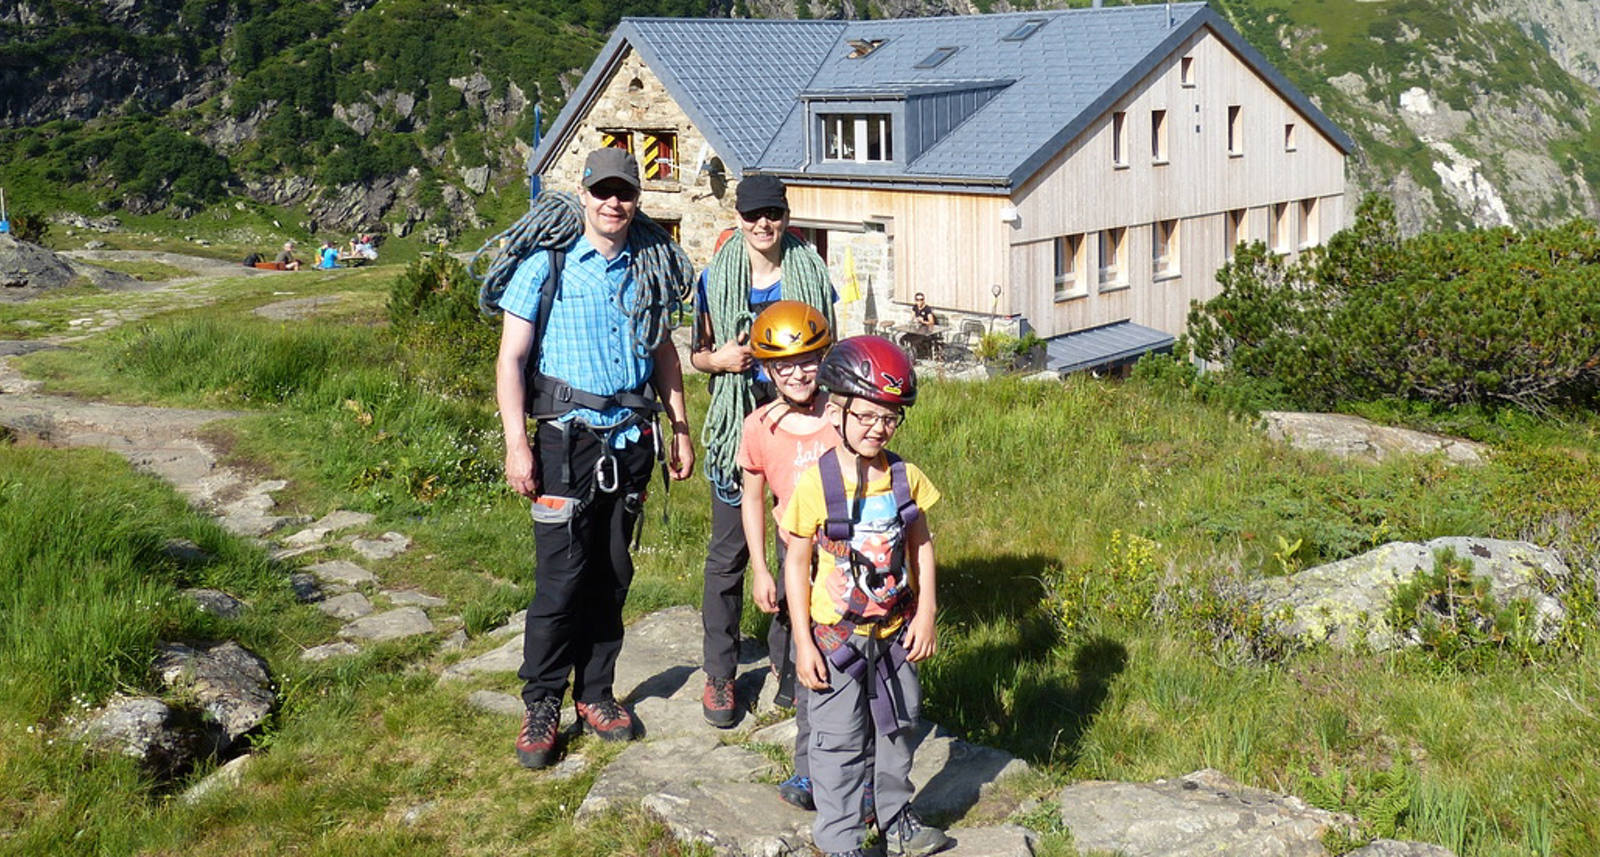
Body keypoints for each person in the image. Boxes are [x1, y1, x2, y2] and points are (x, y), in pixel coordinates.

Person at [490, 147, 696, 769]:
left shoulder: (648, 268)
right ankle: (542, 702)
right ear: (583, 195)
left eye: (625, 192)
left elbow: (663, 356)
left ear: (637, 199)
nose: (614, 202)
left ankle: (597, 693)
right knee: (560, 580)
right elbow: (511, 362)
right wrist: (517, 445)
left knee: (612, 574)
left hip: (631, 442)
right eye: (603, 191)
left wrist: (681, 429)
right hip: (563, 443)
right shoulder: (543, 267)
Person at [782, 336, 949, 857]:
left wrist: (926, 613)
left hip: (894, 636)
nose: (878, 427)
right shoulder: (817, 483)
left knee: (898, 729)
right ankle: (839, 840)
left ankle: (895, 819)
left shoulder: (907, 480)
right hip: (837, 642)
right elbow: (797, 562)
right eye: (867, 416)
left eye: (890, 418)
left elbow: (921, 544)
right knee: (837, 744)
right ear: (838, 410)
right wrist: (804, 643)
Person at [691, 174, 834, 730]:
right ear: (739, 215)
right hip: (740, 426)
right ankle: (720, 672)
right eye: (753, 215)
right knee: (729, 552)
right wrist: (718, 361)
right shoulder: (717, 275)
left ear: (786, 213)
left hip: (800, 423)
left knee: (801, 545)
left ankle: (791, 665)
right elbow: (697, 352)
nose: (763, 224)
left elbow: (830, 342)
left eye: (772, 213)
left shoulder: (812, 270)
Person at [737, 301, 840, 812]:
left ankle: (857, 770)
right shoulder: (759, 427)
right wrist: (759, 567)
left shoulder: (843, 414)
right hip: (794, 555)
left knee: (852, 662)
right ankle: (807, 769)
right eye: (784, 365)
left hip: (845, 555)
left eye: (807, 361)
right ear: (768, 369)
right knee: (807, 659)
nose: (797, 374)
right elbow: (752, 498)